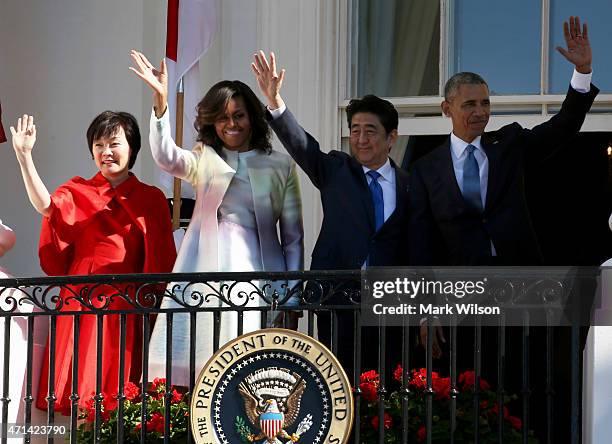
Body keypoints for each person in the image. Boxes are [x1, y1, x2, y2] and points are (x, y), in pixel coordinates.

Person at [407, 16, 597, 441]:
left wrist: (581, 74)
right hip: (462, 297)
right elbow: (421, 243)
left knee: (526, 388)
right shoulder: (424, 170)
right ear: (447, 109)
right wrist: (426, 305)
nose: (480, 112)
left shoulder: (508, 145)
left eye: (485, 104)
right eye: (470, 104)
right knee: (469, 391)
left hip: (520, 288)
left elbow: (562, 127)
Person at [129, 50, 304, 386]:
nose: (231, 124)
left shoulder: (281, 166)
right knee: (202, 365)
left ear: (252, 117)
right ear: (212, 122)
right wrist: (161, 102)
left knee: (251, 367)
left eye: (238, 115)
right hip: (204, 277)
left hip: (258, 280)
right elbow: (166, 156)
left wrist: (291, 295)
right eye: (222, 118)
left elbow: (293, 237)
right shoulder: (203, 159)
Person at [251, 51, 410, 379]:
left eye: (370, 131)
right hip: (339, 302)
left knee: (389, 388)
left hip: (391, 304)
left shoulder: (411, 184)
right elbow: (302, 145)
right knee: (341, 386)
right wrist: (276, 101)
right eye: (355, 130)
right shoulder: (336, 170)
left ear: (391, 137)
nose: (361, 139)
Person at [10, 112, 176, 414]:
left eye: (114, 143)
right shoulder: (78, 190)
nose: (105, 152)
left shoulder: (151, 198)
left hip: (128, 302)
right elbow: (46, 206)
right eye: (98, 145)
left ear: (132, 148)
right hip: (81, 300)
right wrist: (25, 158)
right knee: (80, 391)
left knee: (122, 396)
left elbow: (162, 259)